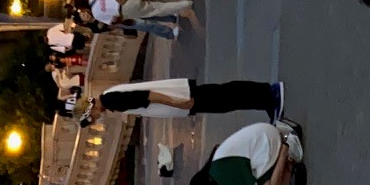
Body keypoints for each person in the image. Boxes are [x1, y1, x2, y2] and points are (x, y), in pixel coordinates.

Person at [84, 78, 285, 123]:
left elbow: (146, 97)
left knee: (225, 99)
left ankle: (267, 95)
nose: (94, 119)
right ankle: (264, 96)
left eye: (91, 117)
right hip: (179, 93)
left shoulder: (112, 101)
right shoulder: (109, 94)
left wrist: (177, 103)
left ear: (90, 108)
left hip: (180, 97)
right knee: (224, 94)